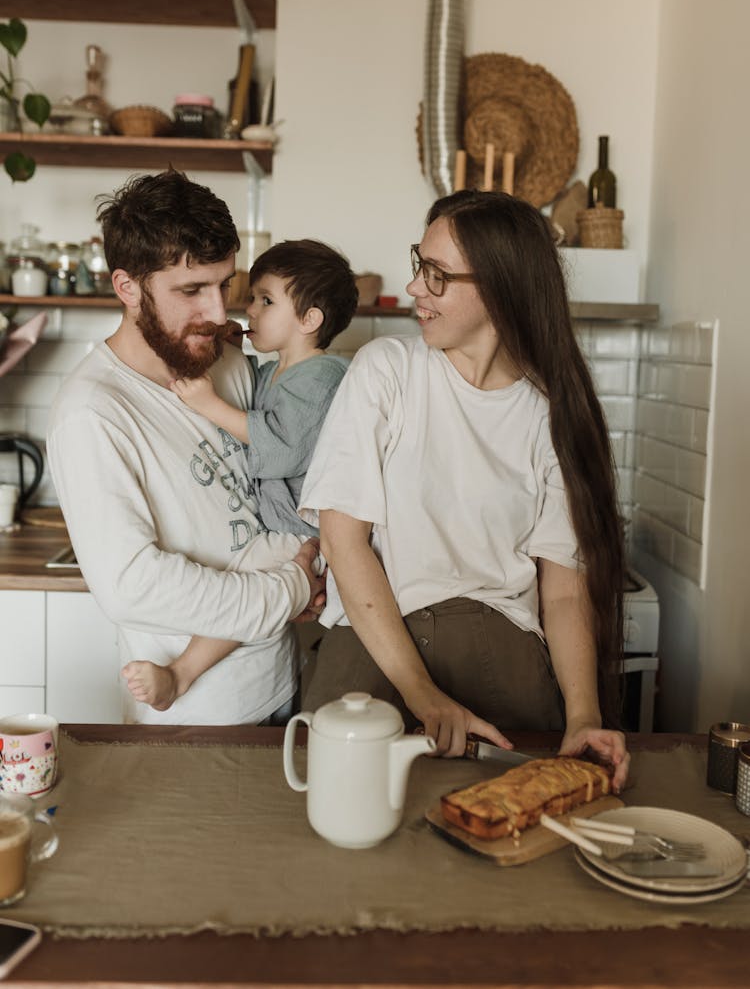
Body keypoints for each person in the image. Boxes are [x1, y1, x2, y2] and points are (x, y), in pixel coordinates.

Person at [299, 190, 630, 789]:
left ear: (500, 287)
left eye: (438, 275)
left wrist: (584, 717)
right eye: (418, 264)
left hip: (502, 660)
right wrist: (424, 696)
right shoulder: (386, 371)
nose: (416, 288)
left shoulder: (549, 416)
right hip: (375, 657)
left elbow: (562, 592)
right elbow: (342, 541)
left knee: (513, 849)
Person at [46, 170, 328, 726]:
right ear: (128, 288)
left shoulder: (220, 363)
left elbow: (278, 492)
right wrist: (292, 588)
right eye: (191, 290)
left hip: (280, 682)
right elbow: (134, 585)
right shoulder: (91, 414)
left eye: (224, 285)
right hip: (195, 715)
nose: (221, 314)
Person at [121, 238, 358, 711]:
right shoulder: (278, 370)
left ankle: (181, 673)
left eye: (265, 301)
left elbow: (284, 446)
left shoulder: (325, 375)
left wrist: (210, 404)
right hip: (281, 527)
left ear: (310, 321)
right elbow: (260, 392)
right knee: (244, 581)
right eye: (251, 296)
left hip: (305, 529)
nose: (248, 308)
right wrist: (231, 347)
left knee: (246, 584)